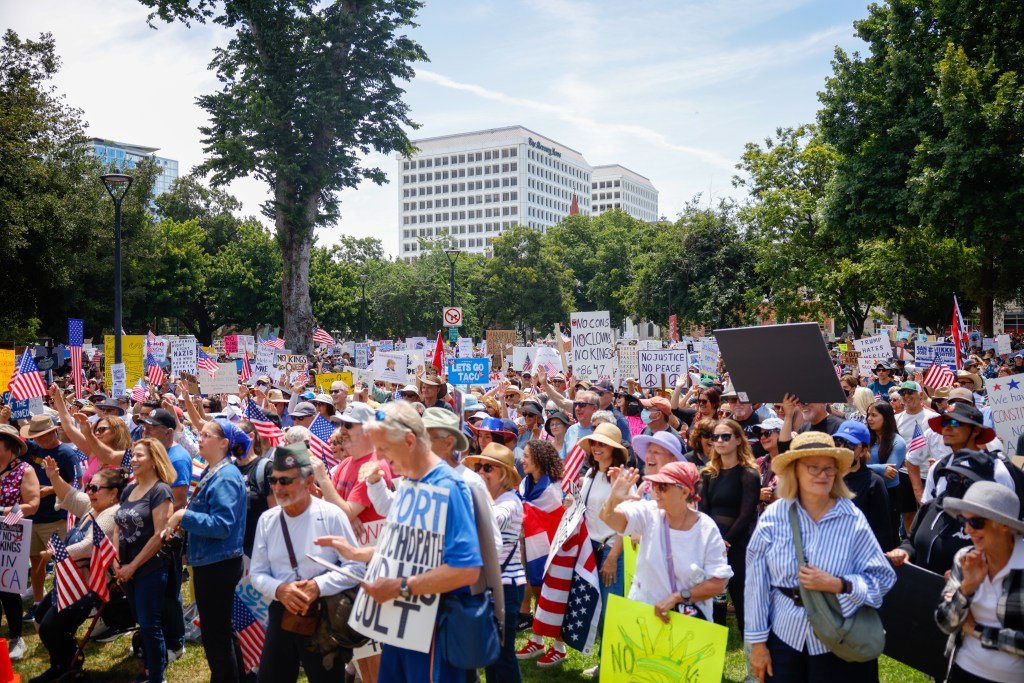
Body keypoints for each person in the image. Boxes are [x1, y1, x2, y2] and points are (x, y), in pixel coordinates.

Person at [341, 401, 483, 682]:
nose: (379, 456)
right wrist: (359, 553)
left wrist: (400, 587)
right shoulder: (409, 482)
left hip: (433, 632)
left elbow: (466, 570)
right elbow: (409, 548)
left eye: (384, 447)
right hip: (401, 626)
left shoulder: (448, 487)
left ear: (409, 440)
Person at [745, 431, 896, 682]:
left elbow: (882, 578)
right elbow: (756, 586)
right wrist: (758, 644)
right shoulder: (774, 518)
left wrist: (838, 584)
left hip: (839, 637)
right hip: (785, 637)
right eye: (813, 467)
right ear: (795, 470)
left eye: (829, 468)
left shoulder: (851, 517)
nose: (823, 474)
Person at [250, 442, 364, 683]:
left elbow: (355, 567)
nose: (278, 488)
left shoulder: (332, 515)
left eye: (285, 481)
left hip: (323, 615)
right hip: (282, 612)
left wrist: (317, 586)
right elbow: (257, 573)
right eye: (273, 480)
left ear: (309, 480)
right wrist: (280, 589)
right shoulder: (267, 520)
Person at [164, 419, 248, 683]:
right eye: (199, 434)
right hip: (213, 561)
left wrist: (183, 516)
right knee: (221, 630)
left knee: (216, 635)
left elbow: (222, 525)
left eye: (206, 435)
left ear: (224, 443)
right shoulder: (216, 472)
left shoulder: (225, 477)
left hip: (218, 564)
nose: (199, 439)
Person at [599, 461, 732, 623]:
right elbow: (609, 518)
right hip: (644, 618)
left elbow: (718, 584)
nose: (656, 490)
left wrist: (678, 597)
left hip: (688, 623)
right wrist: (613, 498)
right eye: (654, 484)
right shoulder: (649, 512)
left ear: (684, 492)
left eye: (663, 486)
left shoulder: (707, 529)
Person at [33, 463, 125, 680]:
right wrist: (54, 476)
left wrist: (55, 553)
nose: (89, 492)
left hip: (86, 587)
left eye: (95, 488)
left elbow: (88, 546)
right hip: (70, 580)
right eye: (89, 486)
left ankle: (68, 667)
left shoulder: (111, 514)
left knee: (50, 628)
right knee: (41, 618)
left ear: (113, 493)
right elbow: (70, 495)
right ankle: (63, 663)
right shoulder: (94, 508)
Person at [936, 481, 1024, 683]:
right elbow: (945, 623)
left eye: (976, 522)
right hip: (962, 671)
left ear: (1004, 525)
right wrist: (967, 588)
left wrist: (978, 631)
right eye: (963, 521)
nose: (967, 530)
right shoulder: (965, 558)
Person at [462, 444, 526, 683]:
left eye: (488, 468)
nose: (480, 472)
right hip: (490, 584)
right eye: (478, 466)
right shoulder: (492, 499)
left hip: (506, 587)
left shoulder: (510, 502)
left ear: (504, 474)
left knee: (502, 655)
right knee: (491, 653)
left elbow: (493, 522)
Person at [115, 438, 176, 683]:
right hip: (126, 567)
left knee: (150, 624)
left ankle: (157, 677)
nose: (134, 459)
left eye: (140, 455)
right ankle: (150, 668)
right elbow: (118, 526)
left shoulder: (161, 491)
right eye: (133, 455)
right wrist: (117, 562)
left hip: (150, 567)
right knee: (142, 621)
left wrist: (133, 566)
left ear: (154, 460)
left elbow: (159, 536)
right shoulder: (129, 490)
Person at [887, 450, 997, 574]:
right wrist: (904, 551)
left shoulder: (989, 523)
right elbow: (911, 541)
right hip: (917, 583)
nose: (959, 484)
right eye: (953, 478)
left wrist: (962, 579)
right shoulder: (930, 507)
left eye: (968, 482)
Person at [699, 419, 760, 632]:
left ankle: (750, 639)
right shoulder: (708, 473)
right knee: (714, 595)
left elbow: (746, 514)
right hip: (712, 539)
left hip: (738, 541)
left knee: (741, 594)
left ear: (738, 440)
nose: (719, 441)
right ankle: (715, 637)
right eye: (715, 437)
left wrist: (726, 542)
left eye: (725, 436)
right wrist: (713, 541)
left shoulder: (749, 473)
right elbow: (703, 511)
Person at [19, 414, 79, 624]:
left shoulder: (66, 453)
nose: (42, 439)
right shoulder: (33, 449)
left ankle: (64, 602)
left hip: (55, 517)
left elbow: (74, 485)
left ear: (54, 431)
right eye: (37, 436)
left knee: (62, 561)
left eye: (45, 434)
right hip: (32, 516)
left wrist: (49, 490)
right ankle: (38, 602)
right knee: (35, 560)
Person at [0, 423, 40, 662]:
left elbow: (31, 505)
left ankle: (16, 637)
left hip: (9, 537)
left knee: (7, 589)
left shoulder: (24, 470)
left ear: (9, 446)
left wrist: (3, 515)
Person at [515, 439, 564, 634]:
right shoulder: (525, 484)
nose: (522, 460)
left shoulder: (553, 490)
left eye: (526, 456)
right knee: (530, 583)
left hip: (545, 546)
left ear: (538, 460)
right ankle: (536, 634)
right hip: (527, 541)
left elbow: (548, 517)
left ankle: (549, 635)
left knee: (543, 588)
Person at [834, 420, 894, 551]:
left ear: (863, 451)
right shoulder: (828, 477)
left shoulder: (874, 483)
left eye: (849, 445)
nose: (841, 448)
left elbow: (883, 531)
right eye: (838, 442)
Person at [864, 401, 905, 544]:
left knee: (888, 537)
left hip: (889, 494)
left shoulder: (898, 442)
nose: (869, 418)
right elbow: (851, 465)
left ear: (886, 417)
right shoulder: (866, 438)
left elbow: (890, 473)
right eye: (868, 415)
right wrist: (880, 468)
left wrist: (864, 468)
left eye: (874, 415)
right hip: (866, 491)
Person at [754, 418, 784, 514]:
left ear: (781, 434)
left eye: (767, 433)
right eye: (760, 435)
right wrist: (757, 495)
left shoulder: (793, 462)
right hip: (761, 518)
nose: (762, 437)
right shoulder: (759, 462)